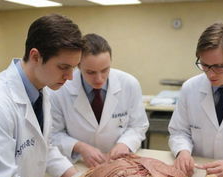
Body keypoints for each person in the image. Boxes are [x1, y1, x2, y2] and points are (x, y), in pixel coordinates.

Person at [0, 14, 98, 177]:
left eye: (73, 68)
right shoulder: (1, 104)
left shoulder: (43, 91)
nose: (70, 77)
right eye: (63, 67)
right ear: (35, 56)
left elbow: (45, 145)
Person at [168, 22, 223, 177]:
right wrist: (183, 151)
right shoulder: (190, 88)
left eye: (218, 67)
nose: (210, 74)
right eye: (205, 65)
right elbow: (179, 132)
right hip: (197, 176)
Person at [49, 33, 149, 167]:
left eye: (104, 70)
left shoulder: (129, 84)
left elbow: (138, 125)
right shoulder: (60, 89)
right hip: (78, 163)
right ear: (78, 66)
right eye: (90, 72)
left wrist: (124, 144)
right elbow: (53, 134)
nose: (99, 79)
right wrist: (80, 147)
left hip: (119, 162)